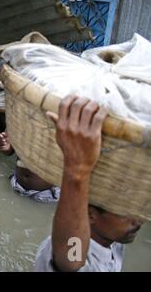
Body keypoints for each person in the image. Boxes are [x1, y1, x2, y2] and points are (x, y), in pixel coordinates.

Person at [35, 95, 143, 272]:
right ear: (91, 216)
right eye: (126, 212)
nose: (138, 220)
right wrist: (77, 167)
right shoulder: (78, 254)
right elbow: (71, 261)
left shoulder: (113, 241)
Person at [0, 131, 60, 203]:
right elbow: (10, 150)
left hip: (46, 195)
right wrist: (5, 146)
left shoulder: (62, 130)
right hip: (16, 184)